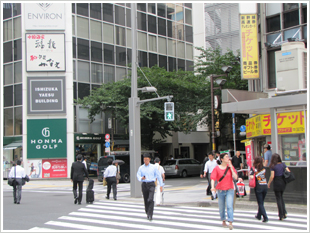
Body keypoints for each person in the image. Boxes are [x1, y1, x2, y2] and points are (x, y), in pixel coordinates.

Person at [211, 153, 238, 230]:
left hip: (230, 189)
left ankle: (230, 222)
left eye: (228, 157)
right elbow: (213, 178)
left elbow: (235, 177)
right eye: (226, 157)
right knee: (221, 207)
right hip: (220, 190)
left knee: (229, 206)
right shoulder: (217, 168)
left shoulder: (230, 167)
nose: (228, 158)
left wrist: (231, 168)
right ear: (221, 159)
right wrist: (212, 187)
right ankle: (223, 220)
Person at [137, 153, 163, 221]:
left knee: (150, 199)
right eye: (144, 160)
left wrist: (161, 185)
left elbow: (158, 176)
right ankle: (147, 211)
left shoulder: (153, 167)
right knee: (146, 200)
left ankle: (150, 214)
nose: (146, 161)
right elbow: (138, 175)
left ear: (149, 160)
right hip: (144, 184)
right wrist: (141, 178)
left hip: (151, 184)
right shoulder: (141, 167)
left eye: (147, 160)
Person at [267, 153, 290, 220]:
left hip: (277, 182)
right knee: (281, 197)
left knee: (278, 198)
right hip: (283, 182)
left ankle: (281, 215)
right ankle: (284, 212)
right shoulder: (283, 164)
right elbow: (288, 171)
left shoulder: (273, 166)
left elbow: (272, 176)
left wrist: (269, 183)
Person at [250, 156, 269, 223]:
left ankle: (265, 217)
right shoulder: (264, 168)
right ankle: (259, 215)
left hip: (258, 187)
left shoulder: (254, 168)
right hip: (265, 186)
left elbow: (251, 176)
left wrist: (254, 174)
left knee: (260, 203)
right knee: (262, 202)